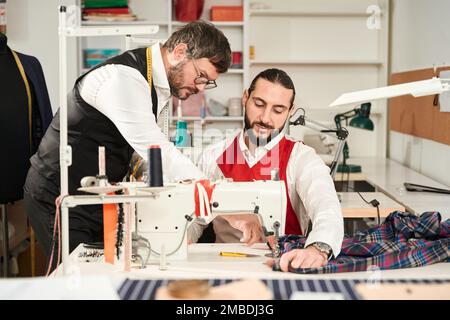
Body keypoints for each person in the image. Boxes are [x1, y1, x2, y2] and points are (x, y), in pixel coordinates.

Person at [23, 21, 231, 259]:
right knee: (81, 280)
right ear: (179, 52)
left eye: (207, 82)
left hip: (96, 197)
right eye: (201, 76)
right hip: (59, 195)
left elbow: (138, 150)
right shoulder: (123, 79)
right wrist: (221, 202)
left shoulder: (155, 80)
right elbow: (157, 150)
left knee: (105, 276)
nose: (201, 88)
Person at [190, 68, 344, 270]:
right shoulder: (213, 156)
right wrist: (177, 244)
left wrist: (318, 248)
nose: (265, 118)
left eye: (278, 110)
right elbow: (192, 218)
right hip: (222, 263)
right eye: (259, 104)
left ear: (290, 111)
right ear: (245, 97)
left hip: (286, 265)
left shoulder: (302, 158)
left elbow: (327, 208)